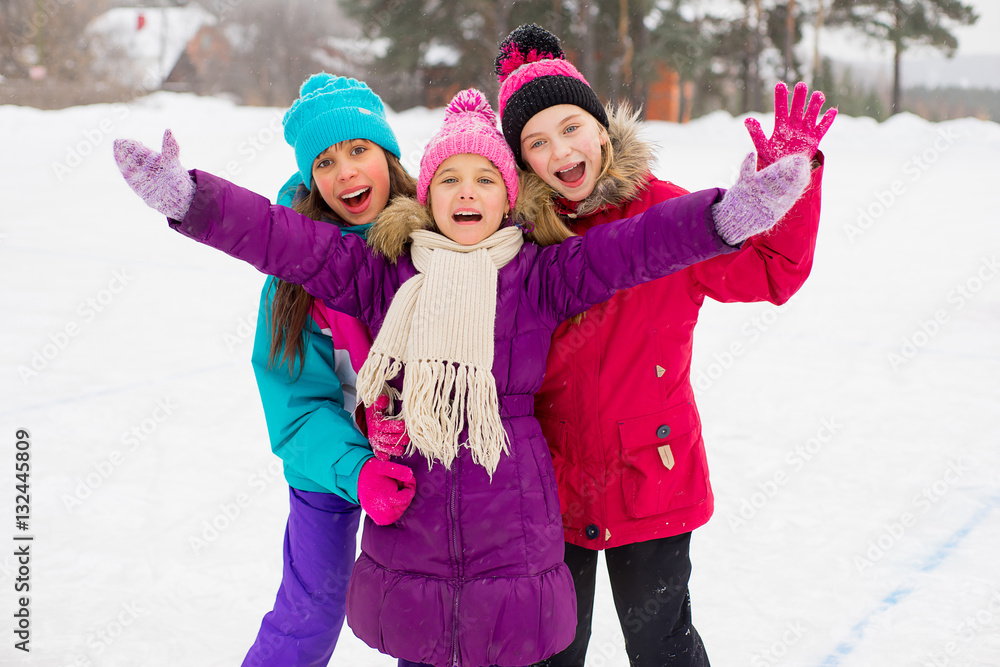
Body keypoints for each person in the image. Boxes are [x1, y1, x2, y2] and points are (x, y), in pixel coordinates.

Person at [112, 88, 810, 667]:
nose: (467, 191)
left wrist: (725, 216)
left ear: (508, 196)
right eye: (450, 177)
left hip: (517, 518)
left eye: (484, 178)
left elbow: (637, 247)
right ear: (429, 195)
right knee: (421, 647)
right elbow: (279, 235)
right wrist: (189, 199)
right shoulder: (383, 269)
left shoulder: (539, 275)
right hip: (414, 515)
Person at [492, 24, 837, 667]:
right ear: (521, 160)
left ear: (600, 128)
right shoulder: (518, 238)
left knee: (663, 647)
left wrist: (791, 187)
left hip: (650, 474)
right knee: (549, 650)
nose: (560, 150)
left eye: (571, 127)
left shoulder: (665, 217)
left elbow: (770, 272)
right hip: (548, 482)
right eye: (536, 142)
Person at [243, 73, 417, 666]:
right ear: (311, 179)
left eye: (358, 151)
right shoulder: (294, 265)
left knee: (425, 610)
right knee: (311, 609)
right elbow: (295, 403)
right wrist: (356, 468)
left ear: (389, 158)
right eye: (324, 161)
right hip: (330, 463)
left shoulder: (434, 230)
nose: (345, 172)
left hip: (421, 464)